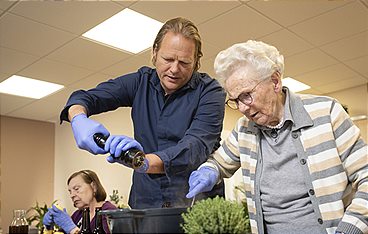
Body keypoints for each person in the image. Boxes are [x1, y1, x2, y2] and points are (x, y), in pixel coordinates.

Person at [186, 40, 368, 234]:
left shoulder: (326, 112)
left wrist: (350, 229)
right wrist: (209, 170)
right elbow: (220, 162)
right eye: (235, 100)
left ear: (274, 81)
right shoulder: (244, 129)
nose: (242, 108)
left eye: (246, 95)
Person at [59, 17, 226, 209]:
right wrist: (78, 118)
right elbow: (87, 98)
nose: (174, 69)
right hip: (146, 201)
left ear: (196, 61)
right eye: (168, 59)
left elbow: (195, 146)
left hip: (196, 202)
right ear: (154, 53)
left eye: (184, 62)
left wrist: (143, 161)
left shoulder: (210, 91)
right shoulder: (140, 82)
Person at [43, 170, 117, 234]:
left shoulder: (110, 212)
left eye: (76, 189)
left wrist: (72, 229)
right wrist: (49, 228)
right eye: (70, 192)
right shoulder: (77, 215)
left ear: (94, 187)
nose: (72, 195)